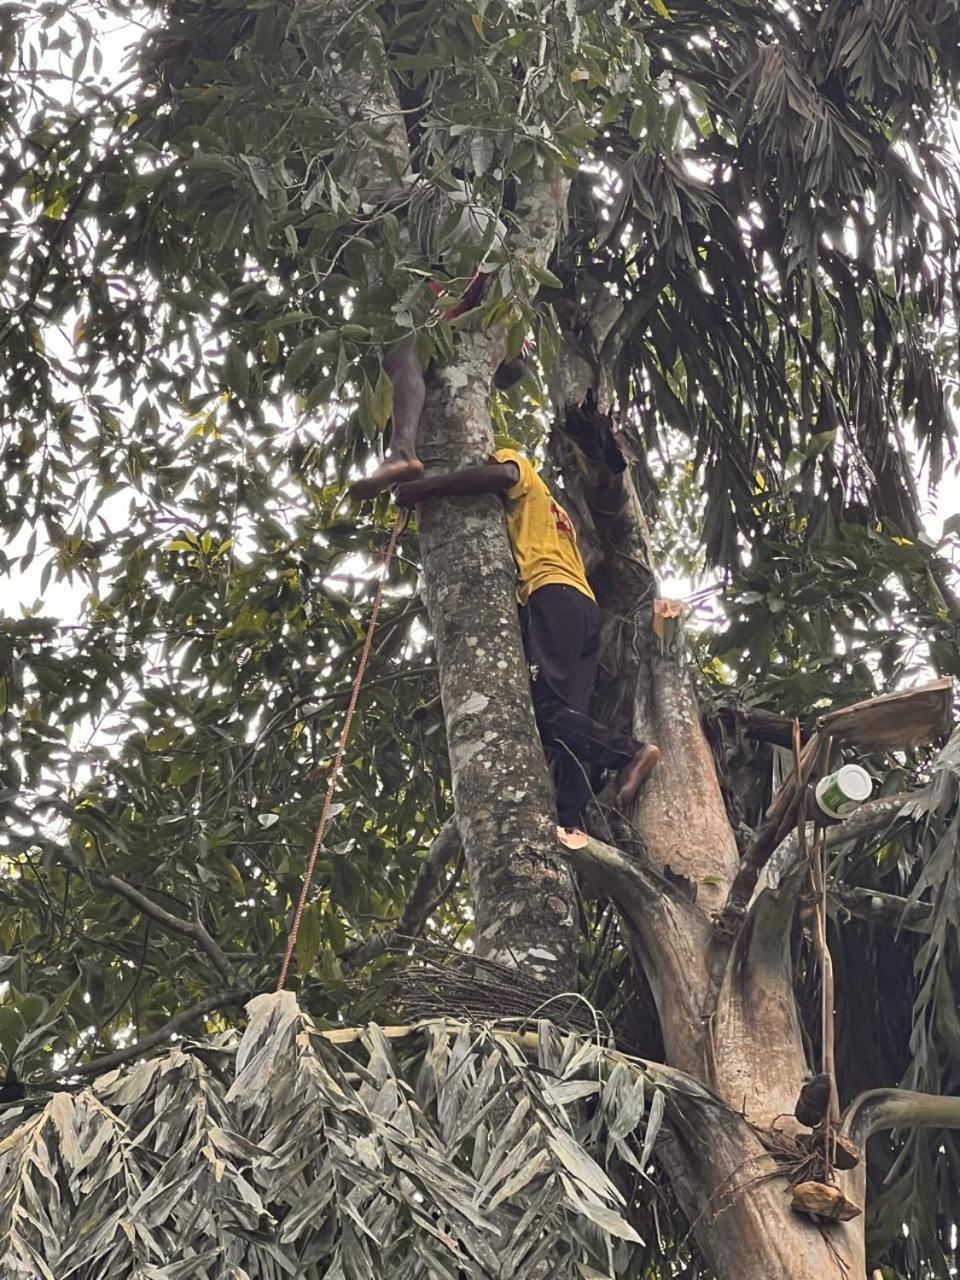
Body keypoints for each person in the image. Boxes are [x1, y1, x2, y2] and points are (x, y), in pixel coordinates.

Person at [395, 449, 660, 835]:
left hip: (549, 591)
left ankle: (629, 753)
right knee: (569, 718)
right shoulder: (555, 514)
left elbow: (501, 476)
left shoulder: (520, 472)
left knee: (541, 710)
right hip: (582, 605)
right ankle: (569, 823)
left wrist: (426, 488)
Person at [349, 178, 525, 500]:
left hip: (470, 228)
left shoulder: (500, 303)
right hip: (443, 219)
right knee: (400, 348)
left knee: (405, 348)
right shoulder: (497, 310)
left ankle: (403, 451)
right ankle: (401, 449)